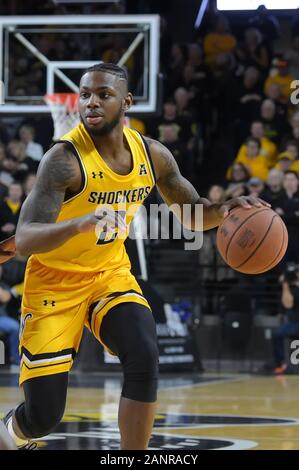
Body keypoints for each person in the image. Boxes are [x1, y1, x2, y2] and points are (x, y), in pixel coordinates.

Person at [0, 63, 269, 450]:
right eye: (86, 95)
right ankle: (14, 430)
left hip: (109, 274)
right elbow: (25, 239)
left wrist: (225, 209)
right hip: (54, 285)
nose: (92, 103)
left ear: (126, 102)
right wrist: (79, 225)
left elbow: (192, 212)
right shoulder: (62, 160)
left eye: (103, 95)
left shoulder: (153, 155)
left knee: (144, 353)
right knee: (43, 417)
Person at [272, 265, 299, 374]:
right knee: (276, 334)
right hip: (294, 324)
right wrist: (285, 284)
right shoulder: (291, 288)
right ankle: (281, 364)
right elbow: (288, 304)